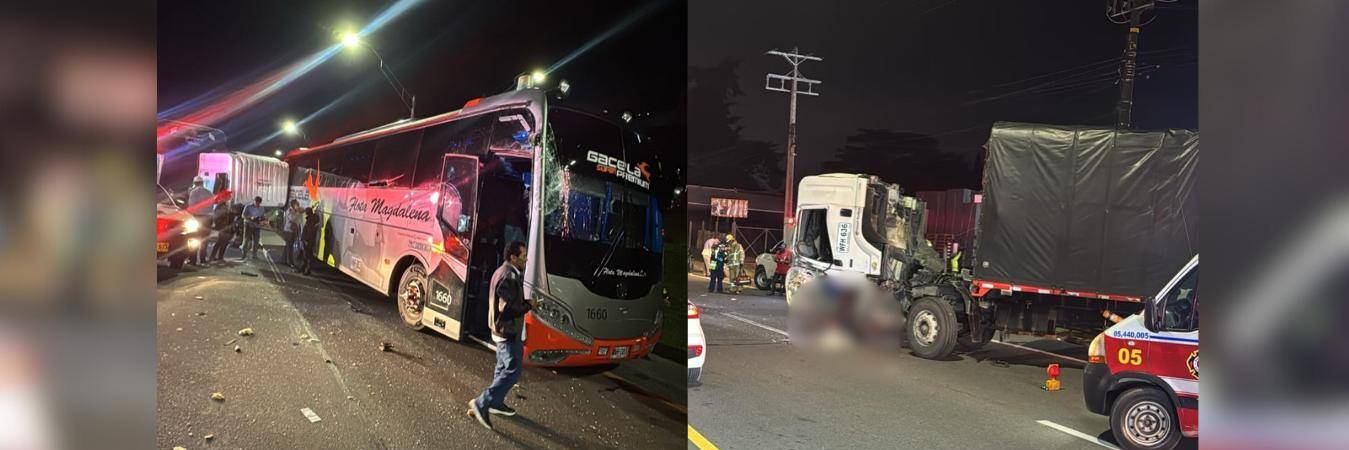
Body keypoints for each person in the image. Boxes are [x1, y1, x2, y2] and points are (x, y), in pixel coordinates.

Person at [468, 241, 536, 430]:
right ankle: (482, 403)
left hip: (499, 328)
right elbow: (506, 308)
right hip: (507, 331)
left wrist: (525, 302)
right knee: (512, 371)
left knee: (502, 368)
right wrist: (529, 305)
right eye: (523, 256)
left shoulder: (504, 271)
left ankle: (495, 403)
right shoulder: (509, 275)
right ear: (513, 257)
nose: (527, 259)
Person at [186, 177, 214, 265]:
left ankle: (193, 259)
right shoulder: (209, 192)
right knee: (204, 240)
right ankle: (202, 259)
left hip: (196, 218)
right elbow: (212, 207)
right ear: (202, 183)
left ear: (195, 183)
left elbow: (191, 207)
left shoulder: (193, 192)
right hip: (208, 219)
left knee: (193, 239)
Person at [298, 206, 320, 275]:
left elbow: (310, 232)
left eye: (306, 212)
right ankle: (303, 268)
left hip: (308, 241)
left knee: (307, 256)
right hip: (309, 240)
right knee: (307, 255)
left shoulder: (311, 220)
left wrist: (306, 240)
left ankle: (307, 270)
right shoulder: (312, 219)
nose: (305, 214)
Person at [282, 200, 303, 267]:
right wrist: (297, 212)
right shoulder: (289, 211)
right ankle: (290, 262)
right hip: (289, 231)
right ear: (293, 205)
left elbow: (299, 220)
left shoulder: (296, 211)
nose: (298, 206)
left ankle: (284, 260)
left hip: (294, 230)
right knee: (290, 247)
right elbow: (292, 218)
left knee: (288, 246)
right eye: (297, 204)